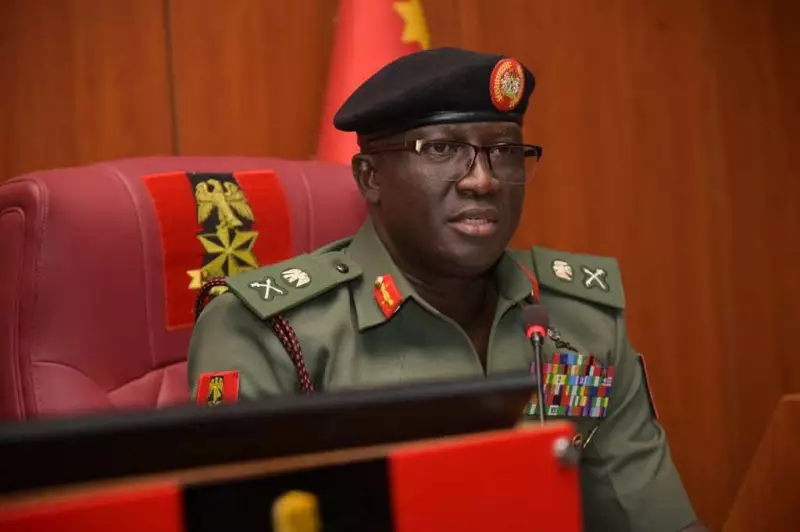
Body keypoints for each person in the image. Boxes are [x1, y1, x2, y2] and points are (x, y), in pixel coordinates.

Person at [188, 47, 707, 532]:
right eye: (442, 149)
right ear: (370, 177)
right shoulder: (273, 333)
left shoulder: (578, 321)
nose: (483, 180)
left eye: (504, 150)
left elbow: (647, 515)